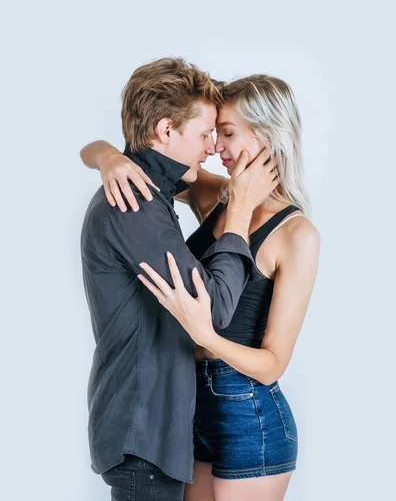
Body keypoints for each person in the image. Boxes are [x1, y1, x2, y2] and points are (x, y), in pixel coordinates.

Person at [85, 73, 320, 501]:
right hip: (187, 409)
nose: (217, 148)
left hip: (248, 414)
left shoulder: (297, 234)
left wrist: (206, 336)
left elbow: (273, 363)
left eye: (227, 133)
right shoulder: (217, 196)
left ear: (268, 136)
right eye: (213, 133)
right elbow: (150, 167)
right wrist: (105, 156)